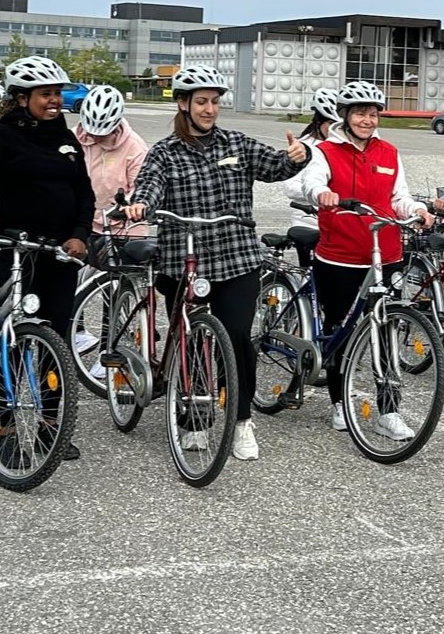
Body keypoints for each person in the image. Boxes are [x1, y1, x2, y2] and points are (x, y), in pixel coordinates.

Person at [123, 65, 308, 462]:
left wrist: (297, 156)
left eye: (215, 102)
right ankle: (192, 418)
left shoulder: (236, 144)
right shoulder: (164, 152)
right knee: (189, 338)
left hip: (236, 255)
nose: (210, 109)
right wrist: (141, 205)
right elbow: (149, 187)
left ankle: (241, 421)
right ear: (183, 104)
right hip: (182, 259)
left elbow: (274, 166)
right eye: (202, 102)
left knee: (238, 336)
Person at [0, 55, 95, 462]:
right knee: (11, 342)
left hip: (60, 254)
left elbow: (84, 193)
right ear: (21, 97)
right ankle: (8, 429)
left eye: (57, 93)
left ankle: (52, 429)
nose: (54, 100)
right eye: (46, 94)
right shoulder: (4, 136)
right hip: (16, 248)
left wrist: (80, 235)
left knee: (56, 343)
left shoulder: (65, 136)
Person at [300, 79, 433, 437]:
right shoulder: (325, 150)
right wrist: (322, 194)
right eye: (360, 112)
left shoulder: (388, 152)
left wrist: (417, 210)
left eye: (373, 114)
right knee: (339, 332)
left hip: (385, 254)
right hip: (340, 256)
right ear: (345, 115)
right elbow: (312, 183)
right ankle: (340, 403)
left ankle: (389, 410)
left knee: (386, 331)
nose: (367, 120)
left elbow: (398, 197)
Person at [72, 84, 149, 379]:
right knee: (67, 272)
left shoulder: (135, 148)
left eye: (101, 133)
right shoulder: (78, 139)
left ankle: (110, 349)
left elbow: (141, 191)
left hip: (124, 229)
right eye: (91, 131)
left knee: (114, 290)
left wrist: (130, 206)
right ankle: (78, 333)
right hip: (87, 222)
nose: (94, 138)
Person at [280, 87, 340, 267]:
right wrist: (319, 193)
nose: (335, 130)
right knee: (311, 277)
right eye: (331, 124)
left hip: (337, 223)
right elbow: (290, 187)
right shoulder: (304, 147)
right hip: (308, 222)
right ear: (319, 121)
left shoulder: (341, 148)